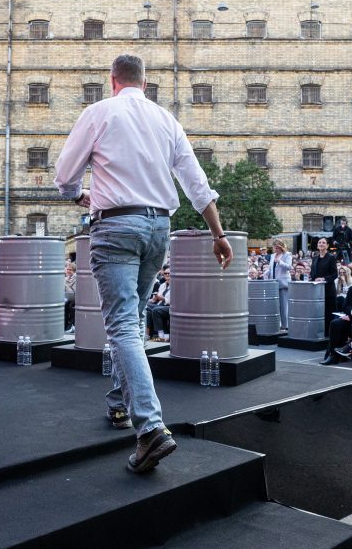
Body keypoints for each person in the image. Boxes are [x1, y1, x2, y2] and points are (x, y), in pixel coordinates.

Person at [54, 54, 233, 473]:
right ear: (145, 82)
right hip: (158, 229)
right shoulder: (166, 120)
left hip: (116, 226)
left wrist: (78, 194)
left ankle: (150, 428)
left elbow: (64, 175)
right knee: (131, 324)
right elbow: (195, 181)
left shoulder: (99, 112)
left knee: (120, 326)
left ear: (113, 80)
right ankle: (119, 404)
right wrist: (218, 235)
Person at [263, 239, 292, 331]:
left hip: (283, 284)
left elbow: (289, 267)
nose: (276, 249)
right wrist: (266, 272)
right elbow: (271, 268)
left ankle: (285, 325)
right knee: (275, 306)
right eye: (274, 247)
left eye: (277, 247)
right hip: (273, 283)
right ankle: (277, 324)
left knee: (284, 306)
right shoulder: (272, 256)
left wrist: (280, 261)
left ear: (281, 247)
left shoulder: (287, 255)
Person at [310, 237, 338, 329]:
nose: (321, 244)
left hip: (328, 290)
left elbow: (334, 275)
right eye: (319, 242)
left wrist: (323, 279)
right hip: (316, 290)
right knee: (317, 312)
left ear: (327, 245)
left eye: (323, 243)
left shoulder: (331, 258)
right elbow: (313, 273)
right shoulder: (314, 258)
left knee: (328, 312)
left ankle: (328, 333)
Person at [64, 262, 77, 333]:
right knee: (64, 305)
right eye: (67, 269)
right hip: (67, 297)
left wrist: (66, 286)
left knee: (71, 305)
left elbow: (74, 292)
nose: (68, 271)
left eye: (70, 270)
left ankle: (71, 326)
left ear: (74, 271)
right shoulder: (66, 279)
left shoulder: (76, 278)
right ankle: (65, 326)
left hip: (75, 298)